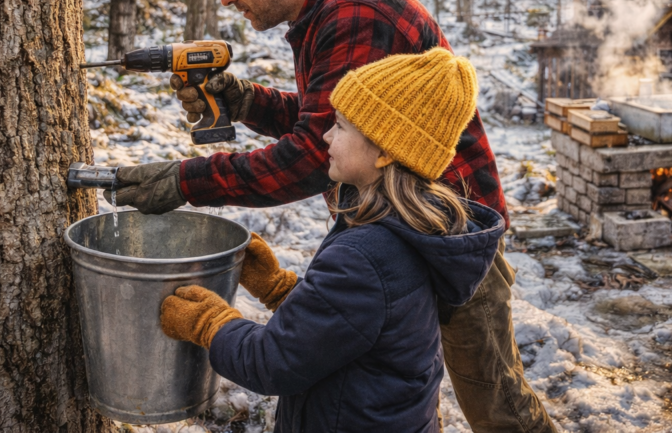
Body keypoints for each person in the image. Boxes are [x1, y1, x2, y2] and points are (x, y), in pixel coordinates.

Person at [110, 0, 557, 432]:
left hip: (445, 236)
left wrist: (187, 181)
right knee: (397, 388)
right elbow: (333, 125)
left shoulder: (356, 13)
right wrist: (248, 101)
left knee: (497, 407)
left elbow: (310, 158)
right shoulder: (329, 8)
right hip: (402, 224)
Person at [158, 49, 505, 432]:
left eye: (339, 125)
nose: (325, 135)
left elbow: (274, 363)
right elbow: (353, 325)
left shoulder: (368, 254)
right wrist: (280, 290)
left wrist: (210, 323)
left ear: (386, 151)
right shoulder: (407, 229)